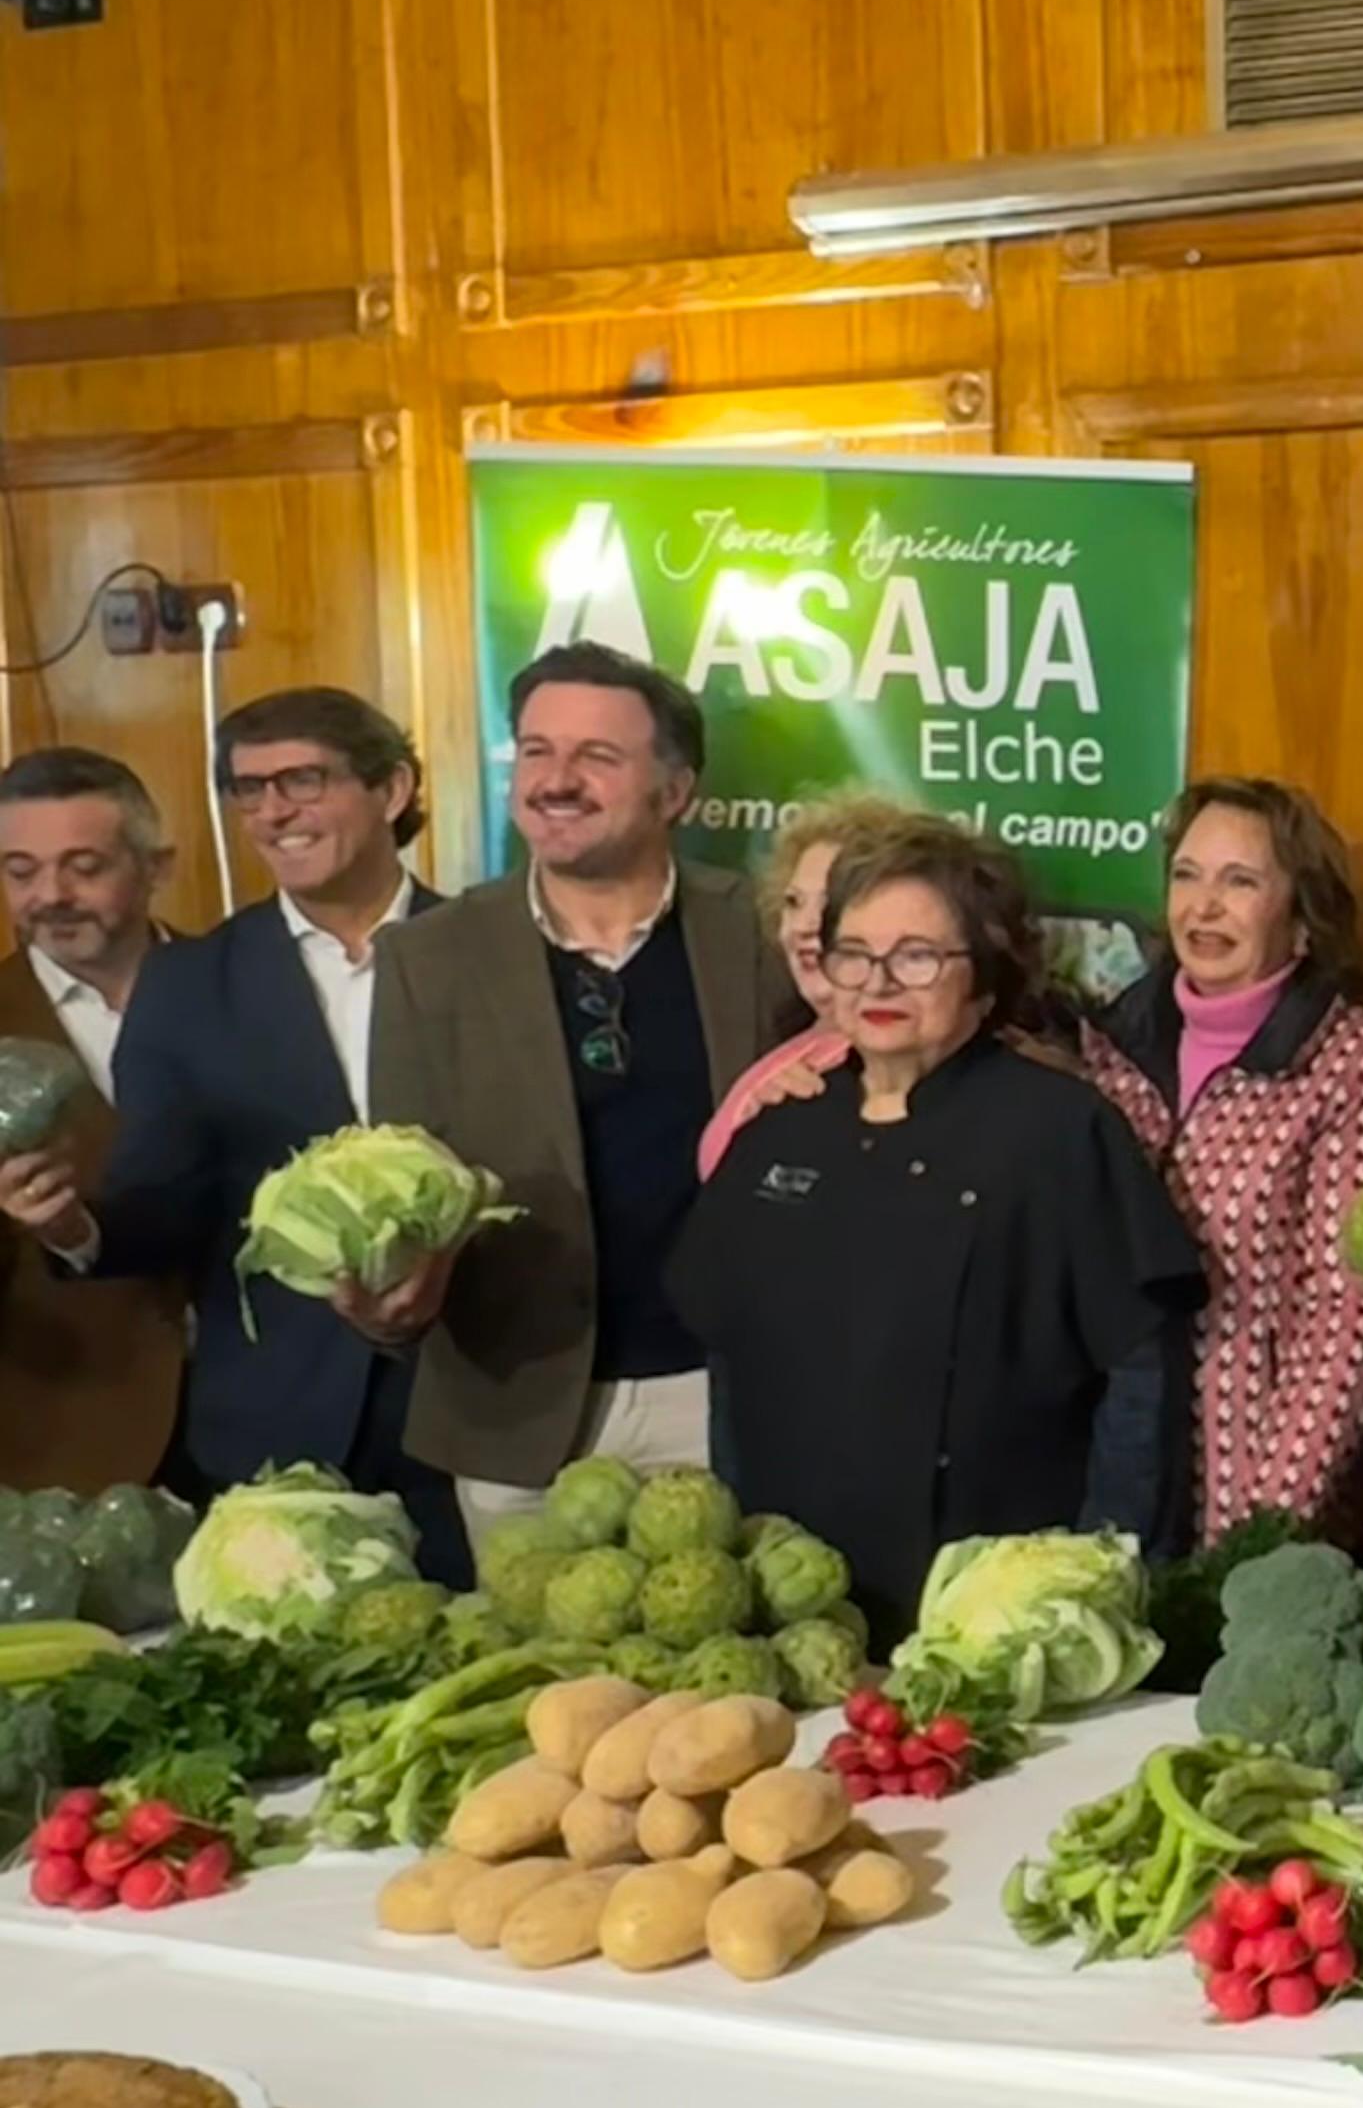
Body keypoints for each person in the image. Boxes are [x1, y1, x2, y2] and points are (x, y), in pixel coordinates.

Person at [672, 820, 1204, 1634]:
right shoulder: (777, 1133)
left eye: (918, 956)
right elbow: (728, 1367)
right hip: (797, 1605)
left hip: (990, 1604)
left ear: (984, 978)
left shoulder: (1060, 1129)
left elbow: (1141, 1377)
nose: (880, 983)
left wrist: (1110, 1573)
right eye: (854, 952)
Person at [0, 695, 467, 1548]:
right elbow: (160, 1202)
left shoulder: (490, 953)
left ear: (392, 788)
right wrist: (73, 1227)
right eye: (249, 791)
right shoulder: (189, 986)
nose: (272, 811)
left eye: (301, 780)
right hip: (278, 1432)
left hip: (479, 1409)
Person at [366, 644, 802, 1532]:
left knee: (732, 1666)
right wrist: (386, 1294)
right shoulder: (428, 956)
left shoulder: (765, 933)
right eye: (535, 751)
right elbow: (399, 1182)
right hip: (518, 1414)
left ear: (674, 792)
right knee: (545, 1675)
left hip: (731, 1395)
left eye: (596, 757)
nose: (555, 780)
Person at [1081, 777, 1363, 1550]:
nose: (1204, 908)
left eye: (1240, 883)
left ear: (1302, 918)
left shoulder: (1352, 1064)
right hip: (1115, 1470)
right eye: (1187, 876)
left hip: (1250, 1478)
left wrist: (1263, 1530)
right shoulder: (1107, 1043)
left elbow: (1343, 1323)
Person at [0, 747, 185, 1490]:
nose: (52, 894)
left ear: (155, 866)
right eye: (20, 871)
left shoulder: (252, 991)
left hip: (270, 1430)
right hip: (67, 1452)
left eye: (84, 866)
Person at [697, 792, 921, 1178]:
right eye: (794, 902)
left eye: (830, 903)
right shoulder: (799, 1041)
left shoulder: (894, 1057)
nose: (804, 926)